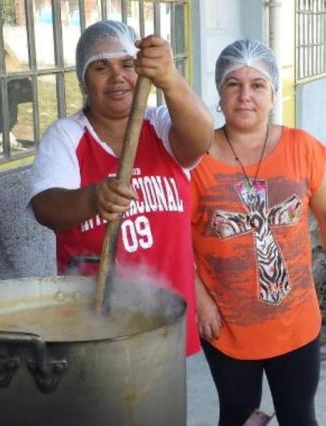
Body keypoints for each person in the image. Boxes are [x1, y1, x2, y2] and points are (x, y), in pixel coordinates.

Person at [190, 39, 326, 425]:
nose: (245, 96)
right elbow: (177, 241)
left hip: (294, 324)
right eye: (233, 84)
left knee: (299, 416)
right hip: (227, 326)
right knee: (237, 417)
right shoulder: (196, 159)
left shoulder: (303, 148)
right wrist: (200, 301)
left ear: (273, 94)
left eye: (257, 85)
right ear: (219, 94)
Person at [29, 20, 212, 356]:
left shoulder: (160, 124)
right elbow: (46, 207)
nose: (117, 77)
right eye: (101, 68)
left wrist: (171, 80)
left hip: (167, 314)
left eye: (127, 65)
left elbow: (201, 139)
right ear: (84, 80)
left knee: (164, 390)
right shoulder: (67, 136)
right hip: (96, 318)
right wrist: (92, 198)